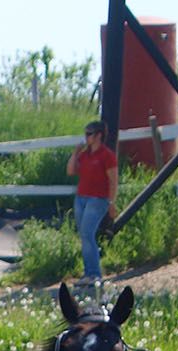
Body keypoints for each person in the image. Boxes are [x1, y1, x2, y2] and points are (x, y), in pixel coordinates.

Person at [66, 120, 118, 291]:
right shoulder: (85, 155)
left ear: (98, 136)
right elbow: (71, 171)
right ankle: (89, 273)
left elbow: (113, 180)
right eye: (85, 133)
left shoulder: (107, 155)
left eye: (89, 134)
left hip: (98, 199)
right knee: (84, 235)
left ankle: (94, 274)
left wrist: (111, 202)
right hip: (81, 197)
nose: (86, 137)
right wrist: (75, 153)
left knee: (87, 233)